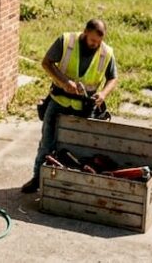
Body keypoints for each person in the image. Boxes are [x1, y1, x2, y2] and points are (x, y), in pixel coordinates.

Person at [21, 19, 119, 194]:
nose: (95, 45)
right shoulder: (66, 41)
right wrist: (64, 81)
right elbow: (46, 62)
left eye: (99, 42)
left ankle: (75, 187)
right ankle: (38, 179)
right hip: (59, 102)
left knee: (81, 147)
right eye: (92, 41)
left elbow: (113, 78)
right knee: (47, 143)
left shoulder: (106, 52)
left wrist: (103, 94)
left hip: (85, 108)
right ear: (84, 33)